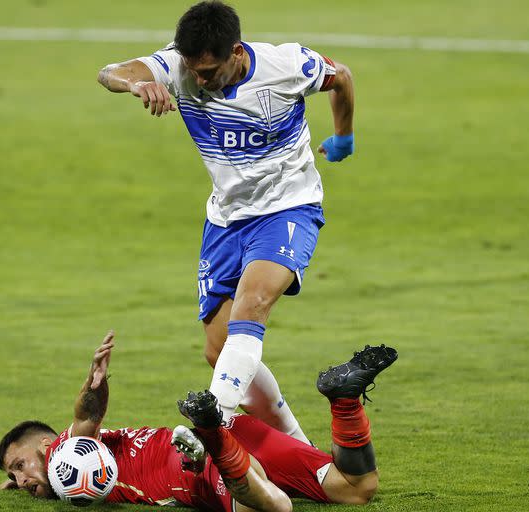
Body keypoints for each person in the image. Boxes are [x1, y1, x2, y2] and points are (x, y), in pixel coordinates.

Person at [97, 1, 356, 445]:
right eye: (192, 71)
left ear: (236, 52)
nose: (199, 81)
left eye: (209, 71)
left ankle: (209, 425)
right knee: (219, 351)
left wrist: (344, 136)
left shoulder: (287, 65)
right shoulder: (179, 66)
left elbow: (342, 77)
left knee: (251, 305)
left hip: (288, 208)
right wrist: (138, 84)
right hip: (225, 220)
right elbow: (109, 72)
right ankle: (302, 449)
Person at [0, 331, 398, 511]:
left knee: (274, 509)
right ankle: (344, 401)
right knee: (357, 489)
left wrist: (95, 383)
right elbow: (89, 420)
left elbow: (88, 415)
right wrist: (16, 483)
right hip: (237, 433)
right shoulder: (68, 463)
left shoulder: (69, 450)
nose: (23, 479)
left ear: (50, 446)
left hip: (191, 472)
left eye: (20, 465)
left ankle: (211, 435)